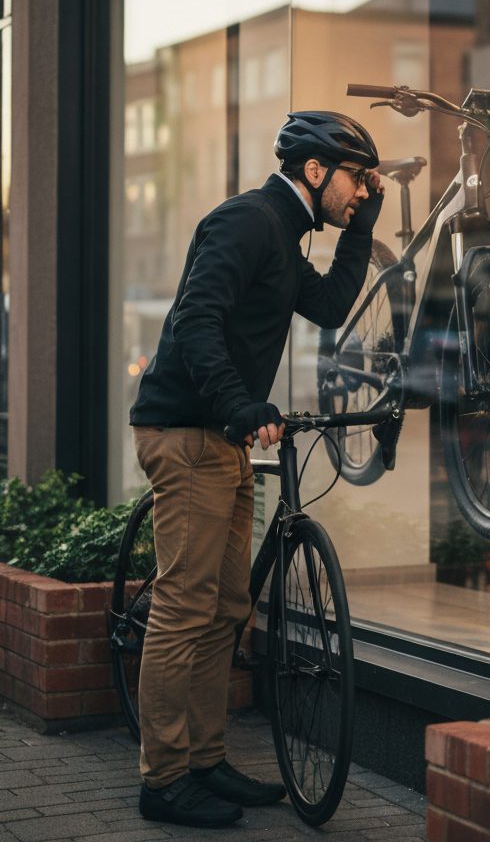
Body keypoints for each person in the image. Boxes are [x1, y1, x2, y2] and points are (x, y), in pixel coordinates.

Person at [129, 111, 383, 828]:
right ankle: (163, 778)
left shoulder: (283, 232)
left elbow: (330, 307)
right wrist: (241, 404)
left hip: (225, 437)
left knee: (224, 606)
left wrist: (361, 229)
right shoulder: (246, 222)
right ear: (314, 171)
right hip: (187, 432)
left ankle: (204, 760)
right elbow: (194, 323)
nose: (361, 191)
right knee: (184, 608)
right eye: (356, 180)